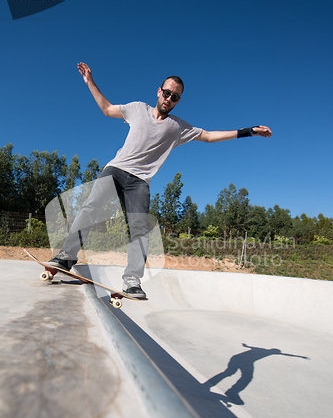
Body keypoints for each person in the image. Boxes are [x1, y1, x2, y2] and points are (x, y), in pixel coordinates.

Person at [49, 62, 272, 299]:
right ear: (159, 91)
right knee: (90, 207)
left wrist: (247, 131)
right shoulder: (137, 109)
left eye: (175, 97)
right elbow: (106, 109)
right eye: (167, 93)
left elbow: (208, 136)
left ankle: (132, 280)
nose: (169, 99)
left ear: (177, 101)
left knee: (140, 228)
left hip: (140, 181)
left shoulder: (177, 127)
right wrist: (90, 82)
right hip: (115, 169)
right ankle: (65, 258)